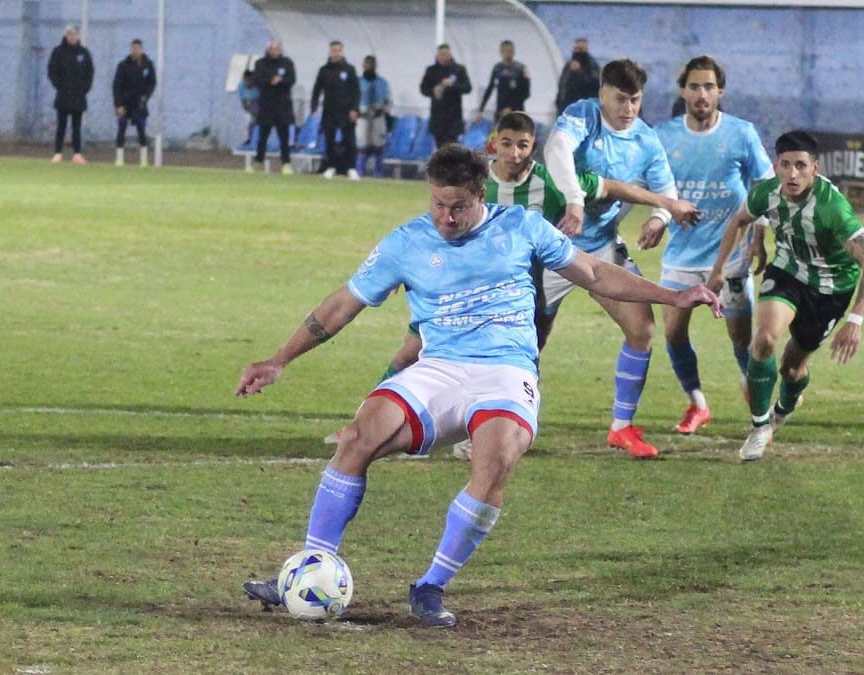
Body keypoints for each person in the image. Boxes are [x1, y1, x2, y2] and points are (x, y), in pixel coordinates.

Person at [237, 145, 721, 628]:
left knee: (496, 459)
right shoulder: (407, 242)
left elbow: (594, 272)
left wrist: (673, 295)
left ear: (481, 195)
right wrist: (280, 359)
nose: (446, 218)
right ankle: (310, 569)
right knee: (358, 436)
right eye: (438, 204)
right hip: (438, 368)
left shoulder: (522, 227)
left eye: (458, 207)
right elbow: (342, 304)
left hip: (506, 371)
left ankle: (430, 586)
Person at [324, 111, 701, 452]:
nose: (515, 152)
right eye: (507, 143)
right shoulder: (472, 182)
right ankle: (364, 424)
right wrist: (406, 268)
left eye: (523, 145)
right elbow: (437, 222)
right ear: (494, 144)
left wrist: (666, 206)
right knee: (411, 351)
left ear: (533, 146)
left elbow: (611, 187)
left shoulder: (552, 181)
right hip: (454, 290)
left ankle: (502, 427)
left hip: (532, 280)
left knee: (528, 352)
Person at [715, 131, 864, 461]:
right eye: (786, 164)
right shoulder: (767, 193)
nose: (792, 174)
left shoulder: (832, 207)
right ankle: (759, 427)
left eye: (801, 166)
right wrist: (718, 268)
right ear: (776, 165)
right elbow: (740, 220)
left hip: (830, 289)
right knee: (764, 340)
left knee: (792, 369)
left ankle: (784, 406)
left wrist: (856, 319)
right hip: (787, 272)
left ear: (815, 168)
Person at [543, 58, 679, 459]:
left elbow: (667, 191)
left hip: (601, 246)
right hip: (553, 246)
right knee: (529, 338)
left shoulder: (645, 140)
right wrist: (573, 199)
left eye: (635, 100)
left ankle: (621, 427)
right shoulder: (583, 116)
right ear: (602, 93)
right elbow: (556, 149)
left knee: (642, 328)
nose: (628, 108)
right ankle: (501, 414)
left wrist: (659, 218)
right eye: (620, 99)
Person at [650, 56, 774, 434]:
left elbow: (766, 185)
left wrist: (759, 234)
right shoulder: (663, 136)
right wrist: (659, 218)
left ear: (720, 91)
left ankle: (753, 389)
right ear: (682, 91)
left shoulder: (741, 133)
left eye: (708, 86)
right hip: (681, 255)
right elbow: (659, 188)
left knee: (741, 338)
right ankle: (697, 404)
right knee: (673, 333)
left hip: (732, 255)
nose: (701, 94)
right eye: (694, 86)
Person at [311, 41, 361, 180]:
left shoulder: (349, 69)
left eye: (339, 50)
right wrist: (314, 107)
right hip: (329, 110)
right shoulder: (324, 70)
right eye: (334, 50)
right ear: (330, 52)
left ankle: (351, 168)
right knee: (329, 140)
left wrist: (354, 109)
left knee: (349, 140)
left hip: (347, 111)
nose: (336, 53)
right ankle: (331, 167)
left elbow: (356, 91)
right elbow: (317, 90)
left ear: (342, 52)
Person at [47, 24, 93, 165]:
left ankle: (77, 154)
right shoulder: (58, 52)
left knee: (76, 126)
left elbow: (90, 73)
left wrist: (84, 88)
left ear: (77, 35)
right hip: (63, 95)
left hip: (78, 96)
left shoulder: (84, 53)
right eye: (69, 34)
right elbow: (52, 71)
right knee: (61, 125)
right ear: (66, 35)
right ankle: (58, 153)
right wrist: (59, 85)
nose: (71, 37)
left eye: (74, 34)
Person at [251, 40, 297, 175]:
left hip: (283, 106)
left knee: (284, 138)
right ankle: (258, 162)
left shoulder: (287, 63)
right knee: (262, 136)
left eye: (276, 48)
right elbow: (257, 80)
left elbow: (292, 80)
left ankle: (286, 163)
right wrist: (270, 81)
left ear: (280, 49)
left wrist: (281, 80)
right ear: (268, 49)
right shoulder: (260, 63)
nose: (274, 51)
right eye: (271, 48)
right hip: (266, 106)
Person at [111, 39, 156, 167]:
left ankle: (144, 160)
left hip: (140, 104)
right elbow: (116, 86)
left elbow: (152, 83)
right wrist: (118, 104)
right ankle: (119, 159)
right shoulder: (123, 65)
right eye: (133, 48)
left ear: (142, 49)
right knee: (121, 128)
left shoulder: (148, 65)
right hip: (125, 103)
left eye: (137, 48)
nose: (135, 51)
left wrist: (146, 96)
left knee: (141, 130)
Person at [420, 44, 472, 149]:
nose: (443, 57)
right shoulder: (431, 70)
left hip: (454, 118)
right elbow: (423, 89)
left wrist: (453, 85)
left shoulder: (459, 69)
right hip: (437, 117)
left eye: (445, 54)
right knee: (440, 149)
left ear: (450, 55)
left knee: (453, 149)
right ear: (437, 55)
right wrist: (433, 91)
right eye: (440, 54)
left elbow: (467, 88)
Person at [475, 40, 530, 124]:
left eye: (511, 51)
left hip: (517, 112)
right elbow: (489, 89)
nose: (509, 54)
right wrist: (481, 110)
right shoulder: (497, 68)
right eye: (506, 51)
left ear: (514, 52)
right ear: (501, 52)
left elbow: (526, 93)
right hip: (500, 112)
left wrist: (511, 108)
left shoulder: (520, 68)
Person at [358, 55, 391, 178]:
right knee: (361, 145)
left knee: (379, 145)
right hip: (362, 117)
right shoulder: (358, 82)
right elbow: (353, 98)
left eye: (371, 64)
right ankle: (360, 171)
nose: (369, 66)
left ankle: (378, 173)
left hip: (378, 117)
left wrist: (382, 109)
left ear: (375, 66)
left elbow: (388, 100)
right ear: (363, 65)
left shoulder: (382, 83)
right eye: (367, 64)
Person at [555, 38, 601, 116]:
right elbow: (562, 85)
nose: (578, 52)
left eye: (581, 49)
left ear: (586, 50)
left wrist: (579, 72)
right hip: (566, 108)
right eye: (576, 49)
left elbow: (594, 85)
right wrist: (558, 102)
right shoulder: (568, 66)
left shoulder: (592, 65)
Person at [237, 70, 259, 146]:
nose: (248, 83)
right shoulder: (241, 86)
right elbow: (242, 100)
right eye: (245, 80)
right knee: (251, 121)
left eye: (249, 81)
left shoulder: (259, 86)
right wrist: (246, 108)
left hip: (262, 101)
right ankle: (250, 138)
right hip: (251, 103)